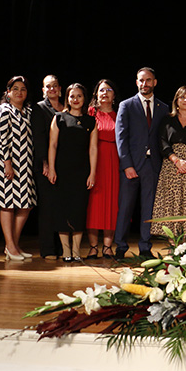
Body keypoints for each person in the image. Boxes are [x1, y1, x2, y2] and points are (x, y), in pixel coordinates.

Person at [114, 67, 170, 260]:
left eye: (148, 80)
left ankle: (145, 247)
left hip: (153, 165)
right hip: (131, 165)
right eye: (141, 80)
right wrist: (127, 165)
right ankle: (120, 247)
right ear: (136, 82)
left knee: (149, 208)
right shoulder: (126, 105)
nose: (144, 84)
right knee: (126, 207)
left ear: (155, 82)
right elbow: (120, 138)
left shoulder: (163, 108)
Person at [47, 83, 98, 262]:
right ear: (67, 98)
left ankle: (76, 251)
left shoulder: (91, 121)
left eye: (79, 96)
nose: (75, 99)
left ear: (84, 99)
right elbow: (52, 145)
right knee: (62, 209)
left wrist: (92, 173)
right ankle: (66, 250)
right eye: (72, 96)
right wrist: (52, 168)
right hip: (62, 170)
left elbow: (93, 149)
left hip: (81, 171)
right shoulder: (59, 118)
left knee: (78, 209)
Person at [151, 86, 186, 237]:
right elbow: (162, 142)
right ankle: (172, 242)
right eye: (182, 97)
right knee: (171, 204)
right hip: (172, 166)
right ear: (176, 101)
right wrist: (177, 161)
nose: (185, 100)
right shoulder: (167, 120)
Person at [0, 76, 37, 261]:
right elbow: (1, 140)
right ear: (8, 92)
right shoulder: (3, 110)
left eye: (23, 89)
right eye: (15, 89)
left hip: (25, 164)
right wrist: (7, 163)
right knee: (7, 204)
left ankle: (13, 245)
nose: (19, 92)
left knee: (25, 205)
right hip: (7, 163)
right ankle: (11, 246)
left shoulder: (27, 111)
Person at [85, 79, 119, 258]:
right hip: (94, 161)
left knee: (111, 204)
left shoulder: (119, 114)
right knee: (94, 204)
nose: (105, 93)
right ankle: (93, 246)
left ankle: (107, 246)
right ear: (96, 94)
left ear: (114, 95)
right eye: (101, 90)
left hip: (114, 161)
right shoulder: (90, 113)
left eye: (108, 90)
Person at [31, 75, 63, 258]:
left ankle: (61, 248)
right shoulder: (39, 108)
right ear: (43, 90)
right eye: (48, 87)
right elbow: (39, 137)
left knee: (60, 208)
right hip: (45, 165)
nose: (51, 89)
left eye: (54, 86)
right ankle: (48, 249)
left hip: (64, 164)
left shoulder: (66, 107)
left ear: (59, 88)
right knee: (47, 208)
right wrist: (45, 162)